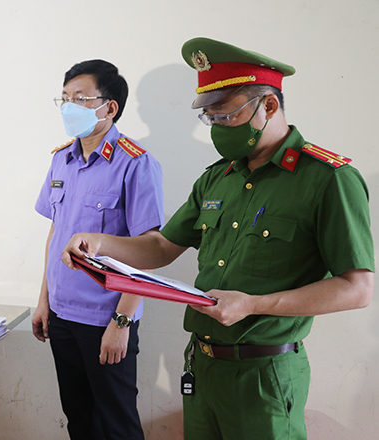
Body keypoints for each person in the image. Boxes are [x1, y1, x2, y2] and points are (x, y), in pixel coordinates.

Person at [61, 38, 374, 440]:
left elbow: (357, 289)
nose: (218, 127)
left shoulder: (327, 180)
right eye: (210, 118)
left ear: (269, 106)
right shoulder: (217, 178)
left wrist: (254, 304)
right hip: (203, 363)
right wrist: (99, 242)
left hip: (264, 374)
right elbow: (160, 247)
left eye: (226, 115)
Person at [32, 59, 164, 440]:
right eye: (65, 98)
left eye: (80, 98)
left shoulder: (135, 164)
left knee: (117, 424)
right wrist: (43, 301)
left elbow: (150, 251)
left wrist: (121, 322)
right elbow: (56, 233)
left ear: (109, 107)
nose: (68, 107)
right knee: (79, 420)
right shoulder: (61, 160)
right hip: (62, 316)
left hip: (106, 319)